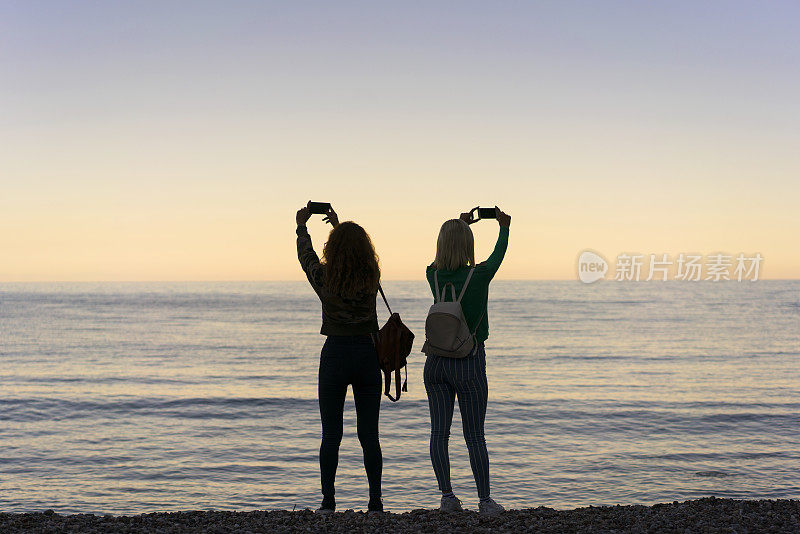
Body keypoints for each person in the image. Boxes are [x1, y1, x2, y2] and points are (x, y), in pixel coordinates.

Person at [295, 204, 383, 514]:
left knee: (331, 434)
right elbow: (353, 256)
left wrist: (302, 227)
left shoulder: (324, 276)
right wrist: (337, 225)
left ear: (332, 249)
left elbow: (307, 259)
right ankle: (375, 503)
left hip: (335, 355)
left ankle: (328, 502)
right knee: (369, 434)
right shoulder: (372, 274)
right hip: (367, 354)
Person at [423, 206, 510, 515]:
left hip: (434, 363)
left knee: (438, 434)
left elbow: (437, 261)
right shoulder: (480, 275)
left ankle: (447, 498)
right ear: (468, 246)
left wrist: (457, 224)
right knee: (474, 436)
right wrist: (504, 227)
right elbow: (498, 255)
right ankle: (485, 502)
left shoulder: (432, 274)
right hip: (469, 361)